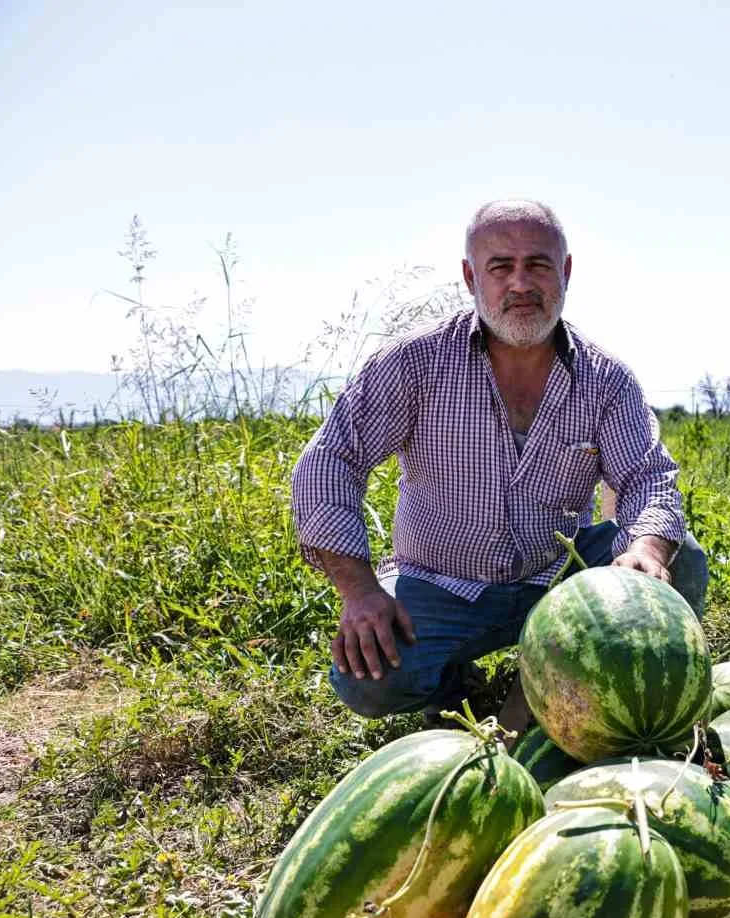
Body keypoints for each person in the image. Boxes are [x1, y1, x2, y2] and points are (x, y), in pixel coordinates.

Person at [290, 199, 706, 727]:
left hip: (560, 578)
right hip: (441, 585)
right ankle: (452, 682)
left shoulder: (606, 380)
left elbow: (648, 478)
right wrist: (361, 590)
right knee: (368, 679)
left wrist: (645, 547)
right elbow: (332, 461)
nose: (520, 284)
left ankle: (576, 691)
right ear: (470, 277)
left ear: (566, 272)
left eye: (537, 265)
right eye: (500, 267)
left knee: (681, 558)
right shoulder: (414, 364)